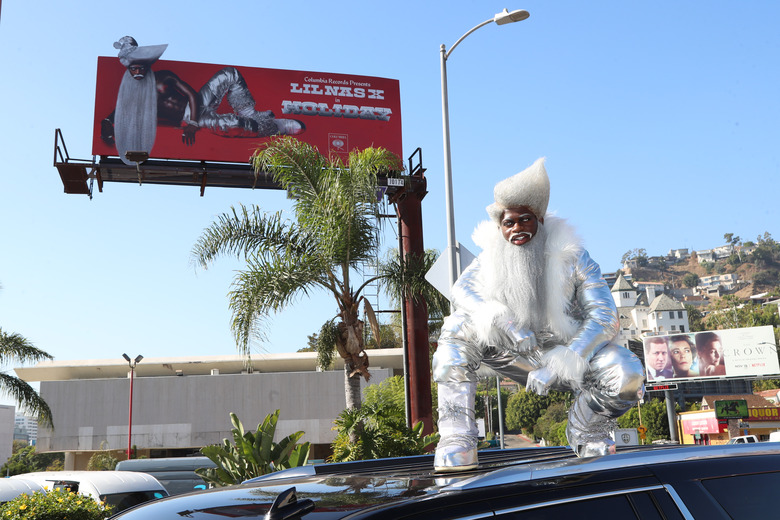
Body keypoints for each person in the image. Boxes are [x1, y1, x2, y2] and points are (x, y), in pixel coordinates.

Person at [432, 157, 645, 472]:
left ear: (541, 221)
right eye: (509, 222)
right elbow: (462, 290)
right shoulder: (491, 255)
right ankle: (456, 438)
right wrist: (504, 322)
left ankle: (587, 428)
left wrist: (561, 364)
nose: (517, 229)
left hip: (567, 354)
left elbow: (604, 316)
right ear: (500, 226)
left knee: (627, 372)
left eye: (525, 220)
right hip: (513, 349)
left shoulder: (573, 257)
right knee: (456, 328)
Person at [102, 36, 305, 165]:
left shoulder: (164, 76)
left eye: (140, 66)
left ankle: (250, 113)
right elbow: (117, 113)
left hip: (197, 105)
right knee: (234, 124)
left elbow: (191, 94)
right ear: (129, 69)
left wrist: (192, 123)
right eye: (133, 69)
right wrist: (107, 124)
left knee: (230, 73)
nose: (137, 71)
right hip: (188, 118)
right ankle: (276, 126)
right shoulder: (133, 96)